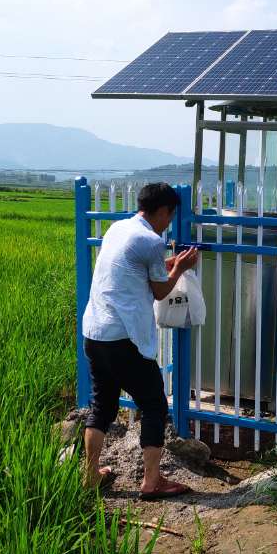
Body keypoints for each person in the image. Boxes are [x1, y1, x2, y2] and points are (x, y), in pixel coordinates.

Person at [80, 181, 200, 497]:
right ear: (162, 211)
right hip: (123, 337)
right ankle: (152, 481)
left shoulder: (118, 229)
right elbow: (160, 290)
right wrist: (181, 267)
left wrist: (169, 265)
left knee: (102, 405)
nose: (169, 224)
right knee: (154, 404)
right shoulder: (150, 241)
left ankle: (90, 475)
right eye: (170, 216)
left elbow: (136, 272)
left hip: (95, 332)